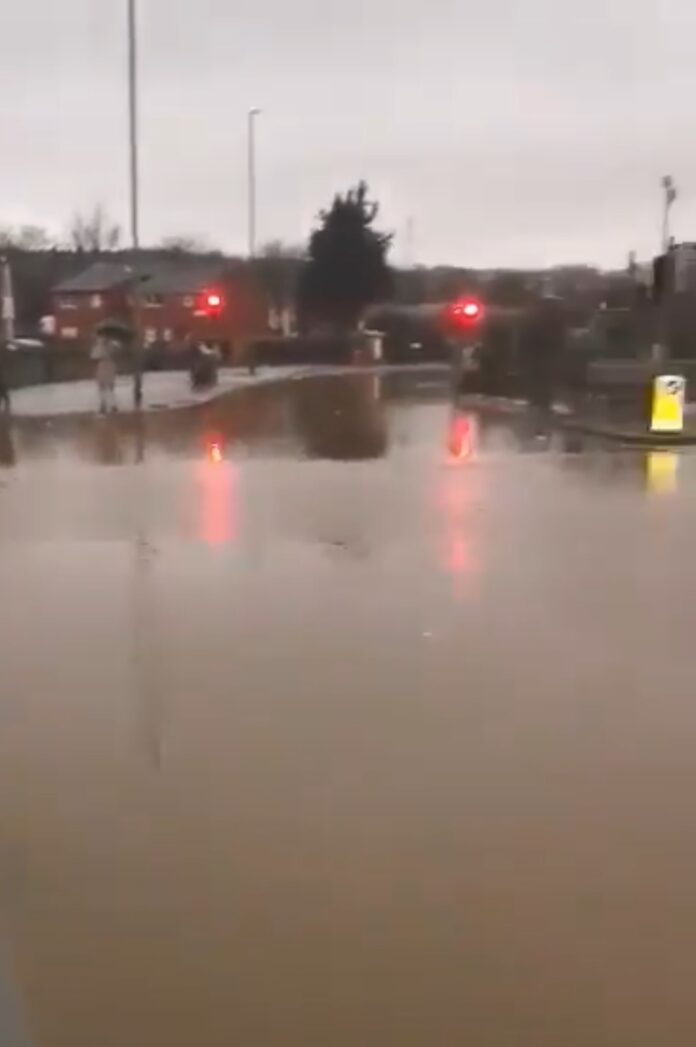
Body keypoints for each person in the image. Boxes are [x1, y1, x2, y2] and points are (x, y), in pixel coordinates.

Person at [91, 334, 118, 413]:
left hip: (105, 366)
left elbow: (94, 356)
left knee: (105, 386)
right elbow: (94, 356)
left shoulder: (106, 346)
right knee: (107, 386)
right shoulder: (112, 345)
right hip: (107, 365)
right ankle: (109, 404)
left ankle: (107, 404)